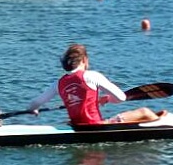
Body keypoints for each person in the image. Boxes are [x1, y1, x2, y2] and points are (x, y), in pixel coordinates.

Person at [27, 44, 160, 126]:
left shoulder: (58, 83)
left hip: (76, 126)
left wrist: (34, 109)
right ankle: (165, 128)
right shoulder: (92, 76)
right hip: (96, 126)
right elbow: (121, 98)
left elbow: (35, 102)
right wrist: (107, 98)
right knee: (145, 111)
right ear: (84, 60)